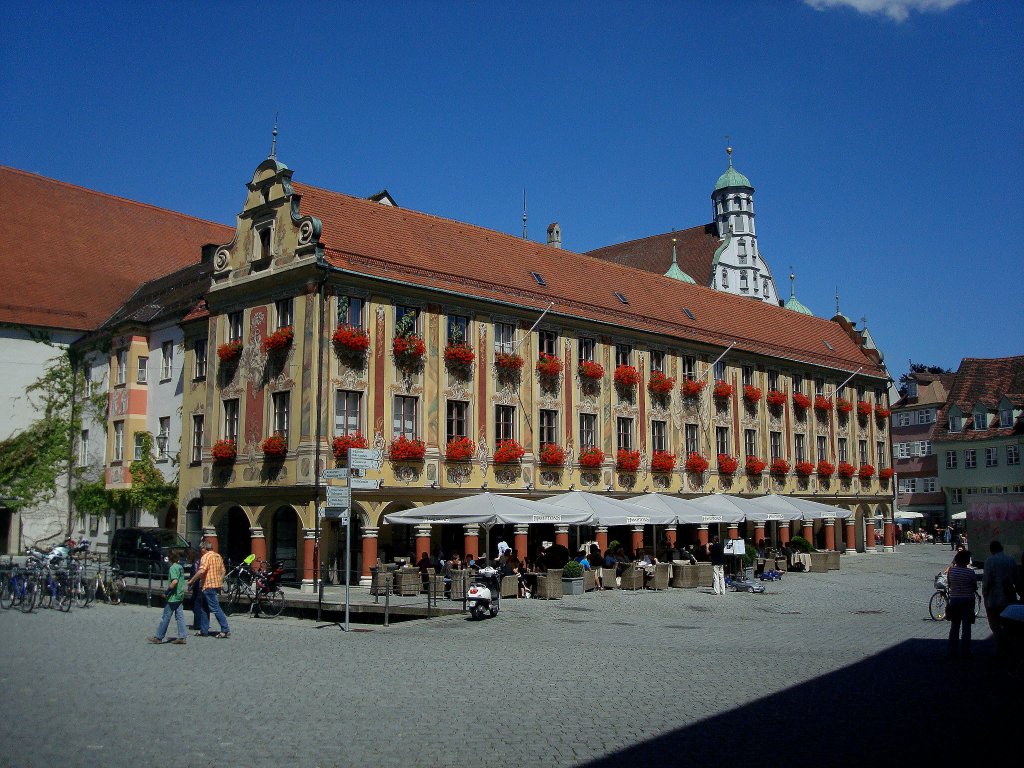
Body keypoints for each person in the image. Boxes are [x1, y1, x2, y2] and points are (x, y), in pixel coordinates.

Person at [982, 540, 1018, 658]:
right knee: (1008, 624)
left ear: (991, 550)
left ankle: (1000, 647)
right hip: (1009, 597)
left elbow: (986, 581)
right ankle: (1009, 647)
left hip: (994, 598)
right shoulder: (1010, 559)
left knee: (995, 624)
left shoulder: (989, 561)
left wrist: (985, 594)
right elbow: (1016, 578)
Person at [187, 540, 230, 639]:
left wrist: (192, 580)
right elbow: (223, 570)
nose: (200, 551)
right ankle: (204, 630)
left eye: (200, 549)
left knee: (215, 608)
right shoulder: (218, 556)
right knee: (204, 608)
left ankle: (225, 629)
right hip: (215, 585)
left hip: (208, 585)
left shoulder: (206, 557)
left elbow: (202, 571)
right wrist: (220, 581)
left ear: (204, 548)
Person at [148, 552, 187, 645]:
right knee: (180, 617)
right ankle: (182, 636)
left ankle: (159, 637)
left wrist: (166, 593)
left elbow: (174, 581)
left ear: (170, 559)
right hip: (180, 595)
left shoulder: (173, 568)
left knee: (166, 617)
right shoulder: (180, 567)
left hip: (173, 597)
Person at [946, 549, 977, 659]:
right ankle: (966, 650)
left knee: (954, 625)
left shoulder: (951, 571)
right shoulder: (970, 572)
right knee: (966, 626)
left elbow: (949, 585)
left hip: (954, 599)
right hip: (968, 600)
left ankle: (952, 650)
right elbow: (974, 586)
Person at [188, 549, 205, 630]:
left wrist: (190, 584)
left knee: (196, 605)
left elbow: (195, 574)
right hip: (201, 586)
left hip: (198, 586)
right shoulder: (200, 561)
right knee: (199, 604)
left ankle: (198, 624)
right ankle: (201, 622)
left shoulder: (195, 563)